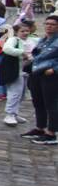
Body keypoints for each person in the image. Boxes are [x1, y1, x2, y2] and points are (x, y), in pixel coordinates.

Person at [21, 13, 58, 145]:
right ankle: (40, 127)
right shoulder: (44, 39)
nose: (49, 26)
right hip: (36, 72)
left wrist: (54, 69)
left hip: (50, 74)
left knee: (51, 103)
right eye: (47, 24)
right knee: (38, 101)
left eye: (53, 25)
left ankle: (52, 132)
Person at [3, 18, 38, 126]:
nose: (25, 33)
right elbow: (7, 49)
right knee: (15, 92)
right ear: (17, 32)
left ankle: (15, 113)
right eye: (22, 31)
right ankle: (9, 114)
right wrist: (22, 52)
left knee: (22, 94)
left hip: (27, 70)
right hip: (15, 70)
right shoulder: (14, 40)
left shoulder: (32, 40)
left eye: (27, 31)